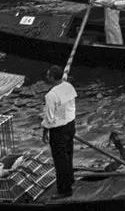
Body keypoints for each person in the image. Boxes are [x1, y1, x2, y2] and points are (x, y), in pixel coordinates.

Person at [41, 66, 77, 198]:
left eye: (48, 75)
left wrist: (45, 132)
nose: (46, 77)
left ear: (52, 77)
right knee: (68, 153)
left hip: (59, 129)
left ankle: (64, 190)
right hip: (70, 124)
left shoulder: (50, 95)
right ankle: (70, 179)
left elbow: (49, 118)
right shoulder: (68, 86)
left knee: (60, 159)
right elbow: (71, 106)